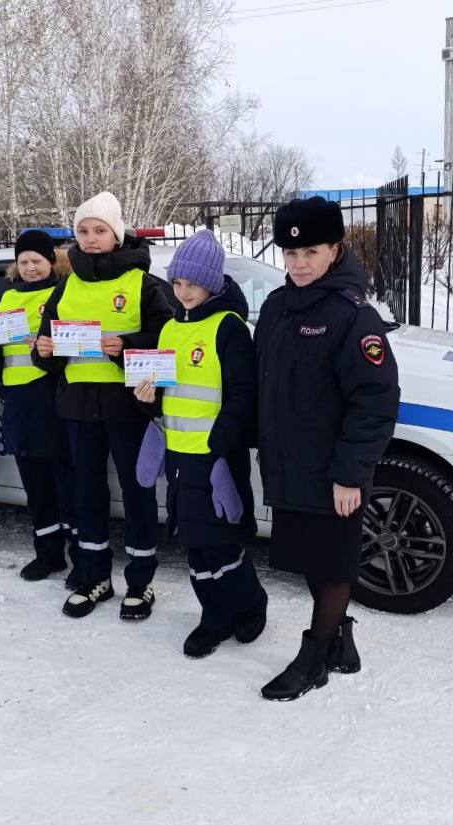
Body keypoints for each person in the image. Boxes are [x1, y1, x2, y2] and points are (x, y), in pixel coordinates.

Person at [254, 196, 400, 702]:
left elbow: (375, 402)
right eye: (290, 254)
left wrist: (351, 473)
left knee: (334, 563)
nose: (298, 263)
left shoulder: (353, 317)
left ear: (337, 249)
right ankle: (341, 641)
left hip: (333, 470)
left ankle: (314, 657)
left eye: (311, 251)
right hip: (289, 463)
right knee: (313, 561)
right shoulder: (275, 306)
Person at [32, 192, 173, 619]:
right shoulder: (66, 285)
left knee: (137, 493)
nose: (91, 239)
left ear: (117, 234)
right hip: (77, 409)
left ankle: (141, 582)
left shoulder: (143, 284)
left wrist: (126, 346)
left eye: (100, 230)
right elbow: (44, 354)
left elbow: (167, 341)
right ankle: (93, 576)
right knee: (86, 494)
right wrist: (46, 349)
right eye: (83, 231)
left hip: (128, 408)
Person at [133, 230, 267, 658]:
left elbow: (243, 397)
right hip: (178, 457)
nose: (183, 291)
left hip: (215, 460)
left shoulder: (229, 328)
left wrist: (217, 449)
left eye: (192, 283)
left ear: (211, 283)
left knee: (222, 541)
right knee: (194, 541)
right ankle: (215, 614)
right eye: (177, 283)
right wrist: (147, 402)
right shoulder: (170, 329)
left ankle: (249, 603)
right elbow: (166, 394)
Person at [0, 230, 79, 583]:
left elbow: (78, 342)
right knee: (34, 481)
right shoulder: (6, 300)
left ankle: (80, 554)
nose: (30, 267)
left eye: (37, 260)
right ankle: (48, 554)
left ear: (51, 261)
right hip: (16, 401)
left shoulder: (64, 292)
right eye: (24, 262)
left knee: (66, 480)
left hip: (52, 396)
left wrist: (51, 344)